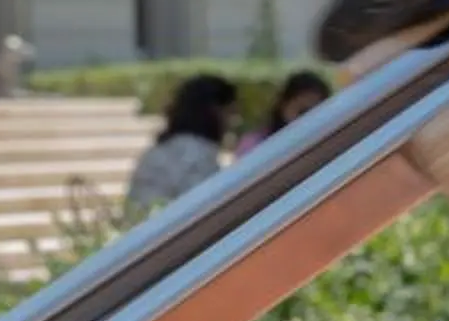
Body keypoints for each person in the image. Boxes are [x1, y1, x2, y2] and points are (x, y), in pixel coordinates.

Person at [125, 73, 239, 215]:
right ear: (215, 111)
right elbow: (203, 213)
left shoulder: (157, 152)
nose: (233, 121)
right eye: (231, 112)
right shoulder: (198, 158)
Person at [234, 68, 331, 157]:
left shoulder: (328, 147)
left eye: (318, 113)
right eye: (302, 112)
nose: (309, 120)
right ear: (283, 105)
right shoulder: (254, 145)